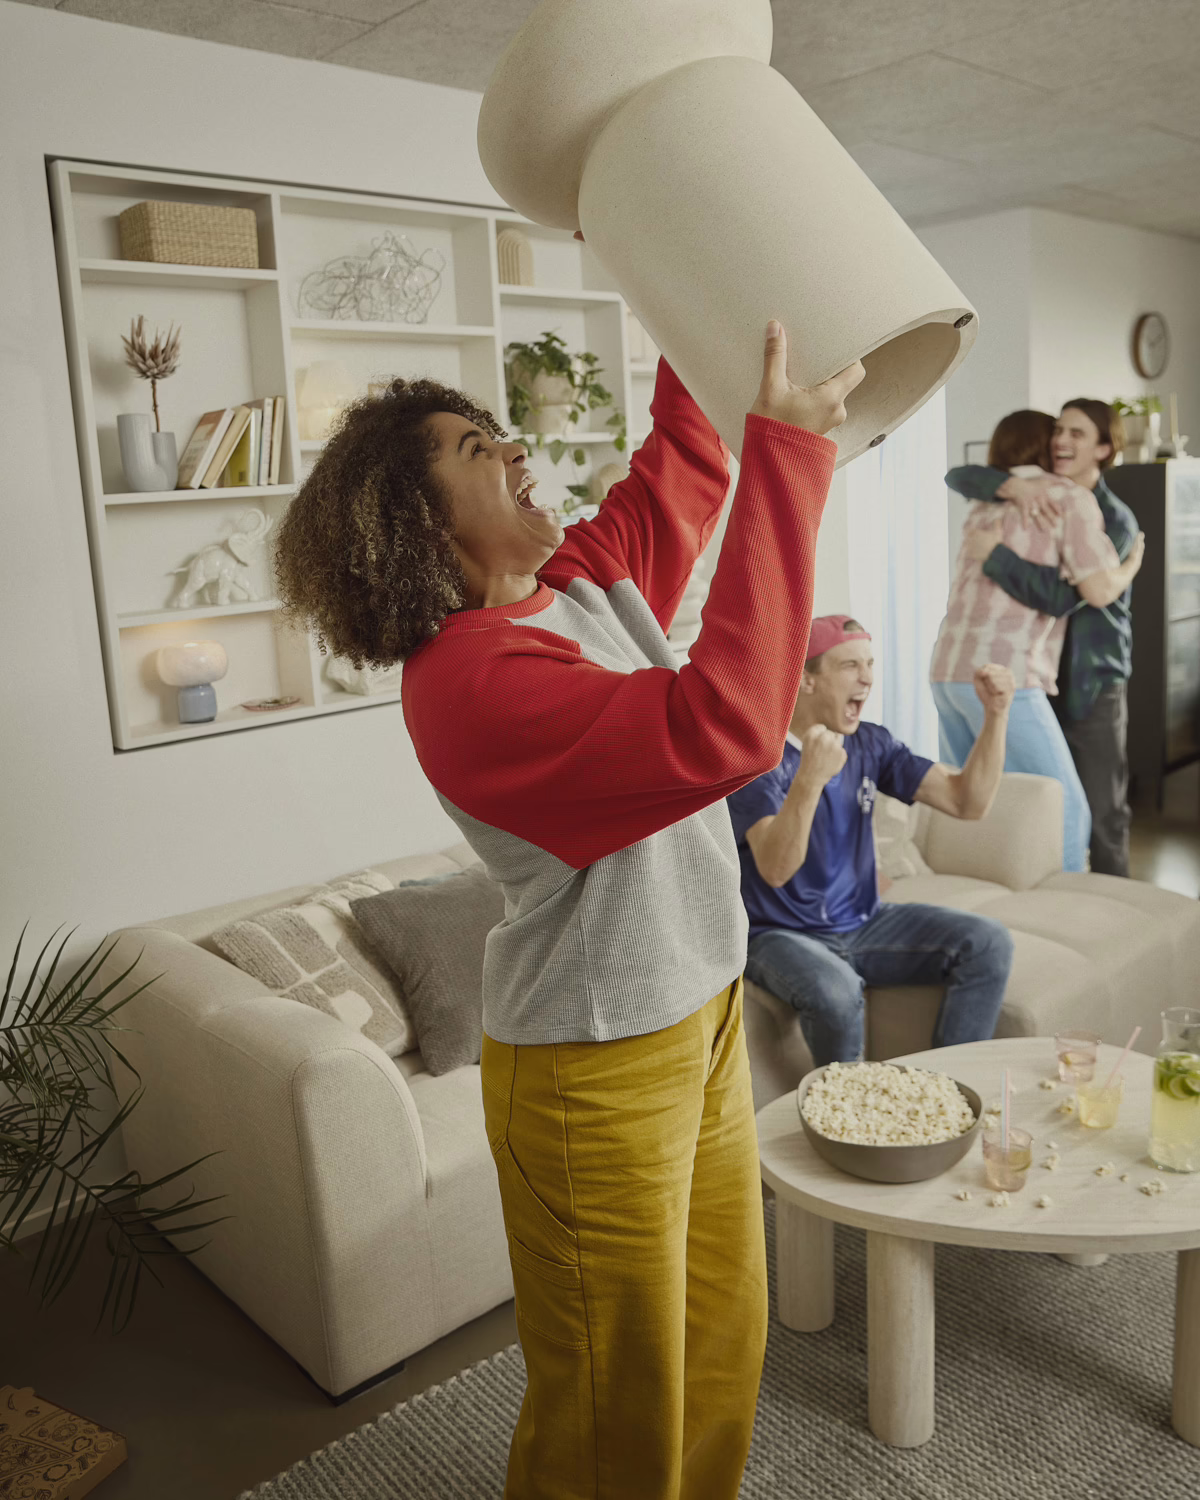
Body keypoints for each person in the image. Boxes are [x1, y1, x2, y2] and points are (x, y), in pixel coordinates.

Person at [274, 321, 864, 1500]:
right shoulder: (466, 686)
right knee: (614, 1404)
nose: (514, 450)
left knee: (719, 1343)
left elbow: (685, 456)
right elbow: (726, 726)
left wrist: (679, 266)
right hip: (592, 1067)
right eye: (476, 448)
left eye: (500, 431)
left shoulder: (581, 577)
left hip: (701, 1011)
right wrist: (792, 457)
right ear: (419, 522)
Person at [730, 615, 1016, 1069]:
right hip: (777, 934)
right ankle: (851, 1104)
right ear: (806, 679)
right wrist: (809, 779)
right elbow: (776, 869)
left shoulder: (870, 743)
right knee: (837, 990)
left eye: (870, 664)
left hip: (865, 924)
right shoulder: (758, 756)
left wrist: (996, 715)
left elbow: (967, 802)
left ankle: (946, 1086)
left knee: (988, 942)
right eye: (850, 665)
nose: (867, 677)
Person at [931, 409, 1142, 873]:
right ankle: (1061, 902)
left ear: (1102, 448)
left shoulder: (985, 500)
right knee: (1065, 805)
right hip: (1006, 673)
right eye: (1057, 432)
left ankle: (972, 890)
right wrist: (1132, 565)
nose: (1062, 441)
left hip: (947, 670)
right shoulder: (1065, 497)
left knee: (973, 798)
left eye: (1074, 433)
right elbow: (1095, 589)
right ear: (1043, 444)